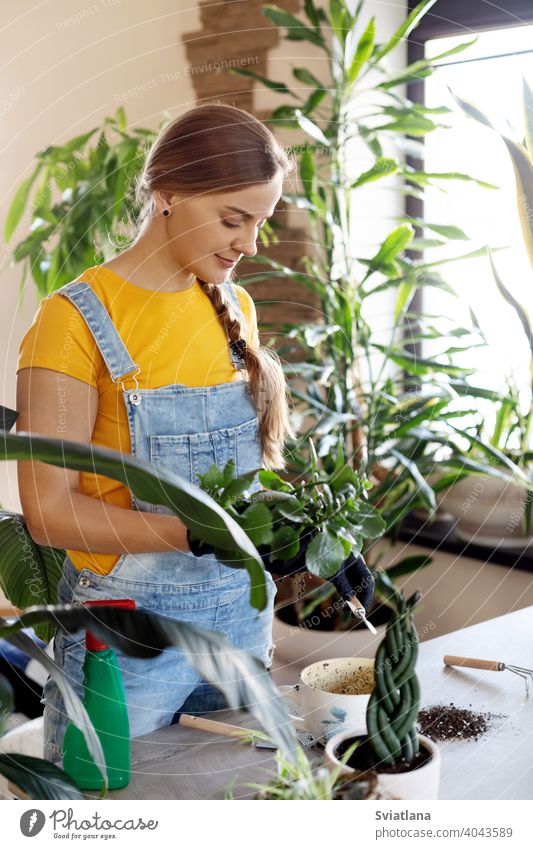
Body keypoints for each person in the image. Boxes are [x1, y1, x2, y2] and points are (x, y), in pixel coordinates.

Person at [16, 103, 374, 768]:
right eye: (235, 219)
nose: (250, 244)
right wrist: (196, 531)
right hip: (127, 639)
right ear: (167, 195)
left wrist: (312, 538)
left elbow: (245, 471)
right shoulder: (72, 319)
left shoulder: (235, 305)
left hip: (238, 623)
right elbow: (48, 512)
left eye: (260, 223)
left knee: (234, 800)